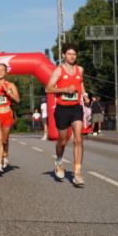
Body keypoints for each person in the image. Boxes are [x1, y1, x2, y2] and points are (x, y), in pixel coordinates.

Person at [46, 43, 87, 187]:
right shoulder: (58, 70)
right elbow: (48, 88)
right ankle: (58, 161)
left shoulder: (79, 70)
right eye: (69, 54)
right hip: (62, 109)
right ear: (63, 55)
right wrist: (64, 89)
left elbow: (80, 84)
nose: (72, 56)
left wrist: (85, 95)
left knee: (78, 139)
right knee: (63, 141)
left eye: (74, 54)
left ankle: (77, 173)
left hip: (76, 108)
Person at [0, 63, 20, 175]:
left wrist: (9, 92)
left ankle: (5, 153)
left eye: (3, 70)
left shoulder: (11, 85)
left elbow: (17, 100)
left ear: (6, 72)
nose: (0, 72)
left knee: (5, 140)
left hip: (7, 114)